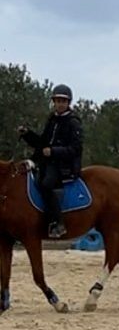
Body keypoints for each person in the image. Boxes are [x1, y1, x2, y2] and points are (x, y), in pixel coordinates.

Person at [17, 84, 84, 239]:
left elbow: (76, 149)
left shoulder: (73, 122)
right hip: (48, 162)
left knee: (45, 185)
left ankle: (57, 222)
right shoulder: (52, 119)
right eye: (57, 100)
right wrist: (27, 134)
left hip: (64, 165)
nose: (60, 104)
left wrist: (54, 151)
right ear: (53, 102)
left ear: (68, 103)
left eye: (63, 101)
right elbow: (42, 143)